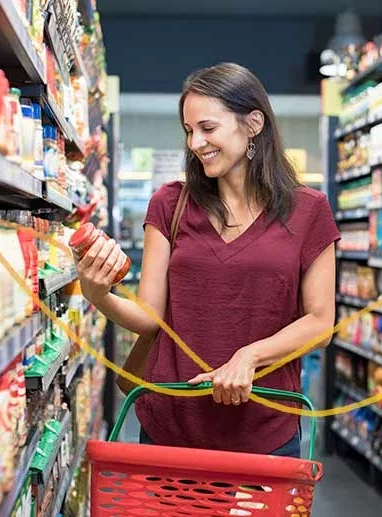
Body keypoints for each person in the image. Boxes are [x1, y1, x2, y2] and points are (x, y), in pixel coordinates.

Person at [74, 62, 340, 458]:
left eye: (208, 128)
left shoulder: (308, 210)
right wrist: (98, 294)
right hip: (172, 424)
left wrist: (249, 356)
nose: (196, 142)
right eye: (188, 131)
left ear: (253, 124)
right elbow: (151, 317)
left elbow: (320, 322)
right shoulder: (170, 204)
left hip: (264, 428)